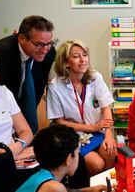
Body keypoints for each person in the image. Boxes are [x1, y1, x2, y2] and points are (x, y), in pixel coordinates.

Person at [47, 40, 116, 176]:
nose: (83, 59)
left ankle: (108, 187)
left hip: (99, 133)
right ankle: (93, 189)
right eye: (76, 56)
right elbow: (59, 122)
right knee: (97, 165)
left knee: (110, 152)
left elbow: (106, 108)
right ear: (66, 63)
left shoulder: (95, 77)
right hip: (75, 137)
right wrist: (93, 127)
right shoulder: (55, 86)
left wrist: (109, 135)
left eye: (84, 55)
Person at [0, 15, 56, 134]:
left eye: (49, 43)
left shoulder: (49, 53)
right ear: (21, 38)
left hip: (25, 106)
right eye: (39, 44)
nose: (45, 50)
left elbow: (38, 88)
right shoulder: (0, 55)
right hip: (2, 111)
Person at [16, 125, 107, 192]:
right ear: (68, 159)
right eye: (77, 153)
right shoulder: (54, 188)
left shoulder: (41, 175)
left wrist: (90, 190)